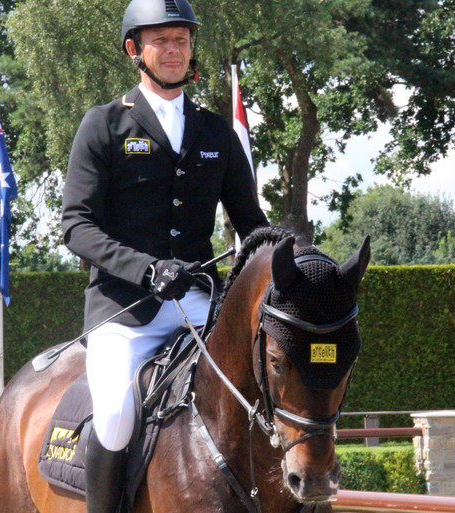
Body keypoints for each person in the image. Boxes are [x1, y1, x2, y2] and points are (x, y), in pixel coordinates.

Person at [61, 0, 268, 510]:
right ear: (135, 49)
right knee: (112, 416)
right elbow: (76, 227)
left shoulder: (216, 131)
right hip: (124, 311)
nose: (174, 49)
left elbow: (252, 225)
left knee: (265, 387)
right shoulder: (105, 124)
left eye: (182, 39)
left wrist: (292, 257)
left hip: (200, 306)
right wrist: (147, 269)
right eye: (161, 40)